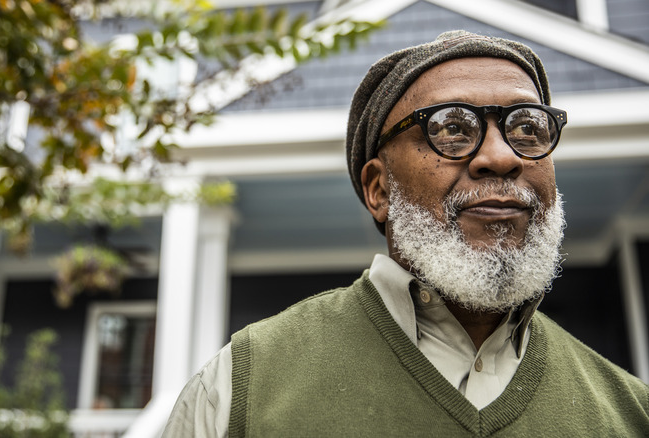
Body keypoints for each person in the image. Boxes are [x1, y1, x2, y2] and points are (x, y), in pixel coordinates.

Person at [162, 31, 649, 437]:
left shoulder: (631, 412)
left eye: (527, 128)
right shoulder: (241, 386)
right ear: (379, 189)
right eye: (452, 128)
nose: (503, 157)